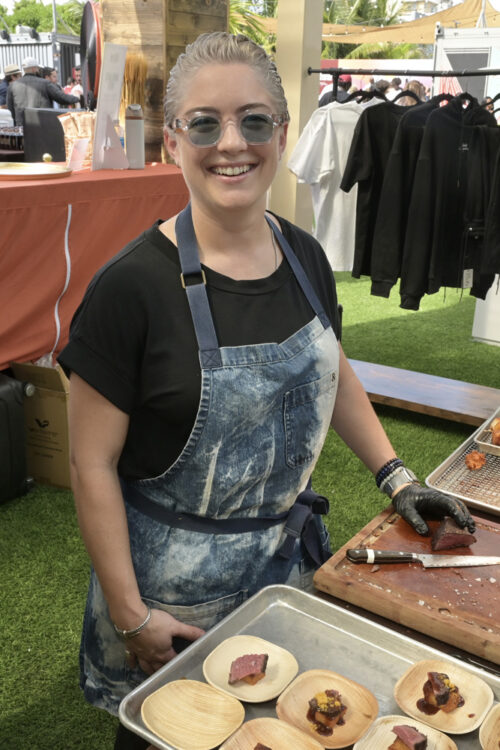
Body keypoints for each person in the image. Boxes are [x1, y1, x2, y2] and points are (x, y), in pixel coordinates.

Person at [58, 32, 475, 750]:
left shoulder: (303, 254)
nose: (232, 144)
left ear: (282, 135)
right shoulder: (130, 288)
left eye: (254, 121)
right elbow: (88, 465)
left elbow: (331, 368)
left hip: (281, 582)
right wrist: (131, 616)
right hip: (168, 605)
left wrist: (397, 475)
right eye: (205, 123)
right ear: (172, 139)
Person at [7, 56, 80, 125]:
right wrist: (78, 98)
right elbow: (61, 98)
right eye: (37, 68)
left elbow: (10, 109)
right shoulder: (45, 83)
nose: (38, 70)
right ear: (33, 69)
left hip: (22, 126)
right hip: (42, 125)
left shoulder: (12, 86)